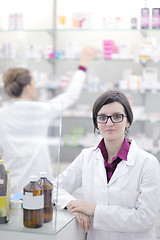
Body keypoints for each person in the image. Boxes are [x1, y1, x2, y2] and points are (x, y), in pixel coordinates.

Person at [53, 90, 160, 240]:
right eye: (102, 117)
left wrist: (94, 211)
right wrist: (73, 205)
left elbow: (145, 219)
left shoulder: (147, 163)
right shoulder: (87, 156)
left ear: (128, 120)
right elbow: (55, 188)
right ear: (96, 122)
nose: (109, 123)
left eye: (116, 116)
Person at [0, 45, 96, 194]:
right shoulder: (39, 111)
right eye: (33, 82)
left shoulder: (3, 113)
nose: (35, 86)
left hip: (11, 184)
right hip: (38, 185)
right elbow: (71, 95)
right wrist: (83, 63)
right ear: (27, 87)